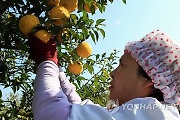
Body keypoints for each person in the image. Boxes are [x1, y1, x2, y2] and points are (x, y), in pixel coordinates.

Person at [29, 30, 180, 120]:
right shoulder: (145, 113)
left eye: (122, 64)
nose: (112, 73)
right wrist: (57, 70)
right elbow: (80, 109)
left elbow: (53, 114)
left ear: (149, 79)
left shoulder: (152, 113)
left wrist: (47, 62)